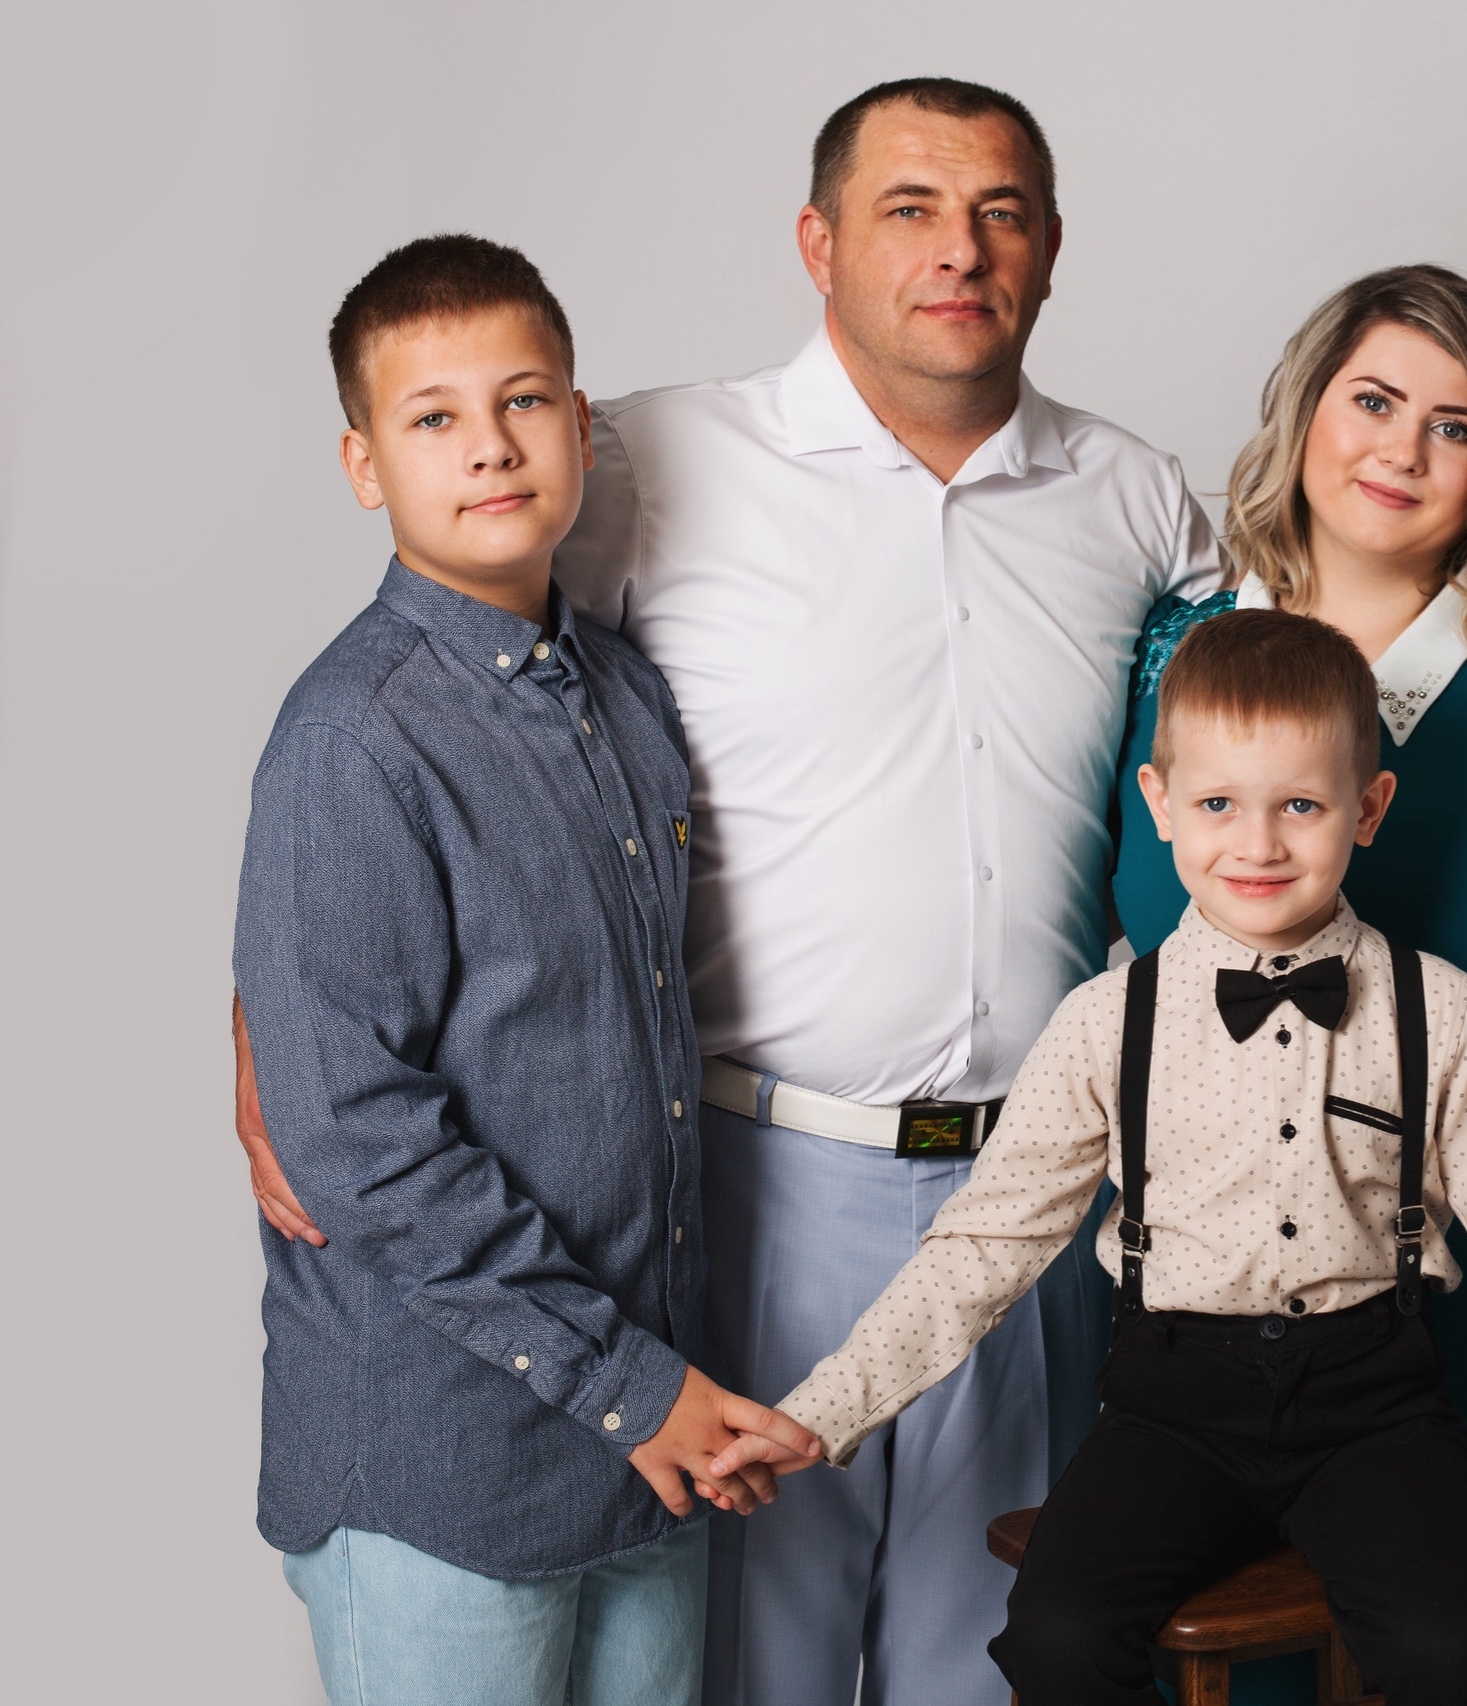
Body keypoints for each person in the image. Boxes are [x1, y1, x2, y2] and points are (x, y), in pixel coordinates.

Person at [231, 77, 1220, 1705]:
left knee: (995, 1661)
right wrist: (267, 1031)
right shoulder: (645, 460)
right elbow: (419, 690)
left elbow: (1275, 740)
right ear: (817, 243)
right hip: (751, 1196)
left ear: (1051, 247)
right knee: (750, 1670)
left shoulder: (1139, 501)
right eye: (909, 209)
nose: (958, 250)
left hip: (1031, 1200)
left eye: (1000, 213)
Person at [711, 609, 1467, 1706]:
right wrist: (827, 1409)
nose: (1258, 844)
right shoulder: (1106, 1022)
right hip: (1167, 1414)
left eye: (1300, 805)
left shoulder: (1438, 1008)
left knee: (1450, 1658)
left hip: (1377, 1413)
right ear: (1159, 804)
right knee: (1055, 1639)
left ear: (1367, 809)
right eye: (1217, 805)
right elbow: (986, 1243)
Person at [232, 234, 821, 1706]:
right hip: (446, 1464)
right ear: (365, 464)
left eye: (525, 401)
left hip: (644, 1457)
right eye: (433, 416)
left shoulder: (624, 692)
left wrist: (654, 1397)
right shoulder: (351, 738)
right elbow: (360, 1141)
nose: (490, 446)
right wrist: (638, 1390)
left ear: (579, 421)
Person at [1110, 264, 1467, 1703]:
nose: (1403, 450)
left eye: (1456, 425)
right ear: (1305, 410)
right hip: (1233, 1315)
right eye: (1372, 400)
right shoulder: (1170, 655)